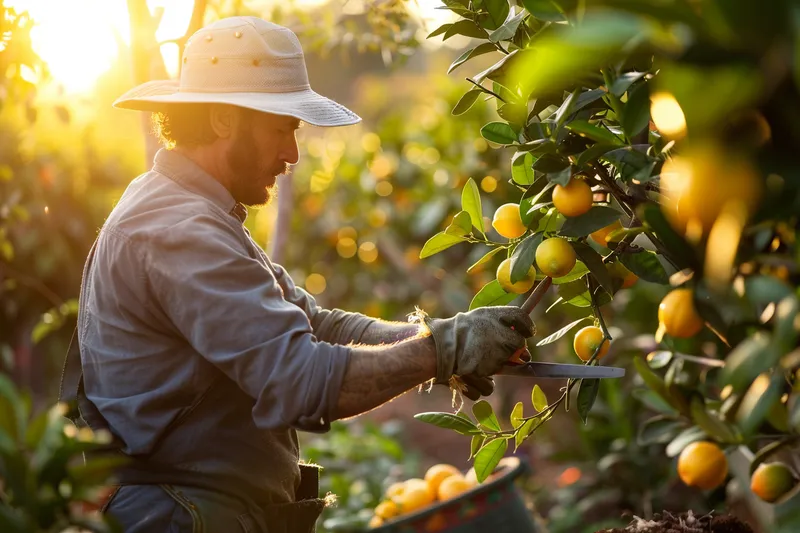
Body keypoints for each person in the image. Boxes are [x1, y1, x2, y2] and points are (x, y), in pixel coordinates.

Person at [61, 15, 534, 533]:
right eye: (281, 128)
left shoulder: (196, 211)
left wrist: (447, 338)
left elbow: (319, 324)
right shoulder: (178, 229)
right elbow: (299, 380)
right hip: (179, 516)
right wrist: (441, 349)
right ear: (222, 120)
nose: (291, 154)